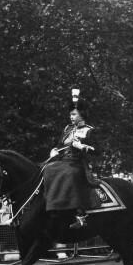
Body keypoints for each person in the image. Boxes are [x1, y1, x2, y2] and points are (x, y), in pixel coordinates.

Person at [43, 89, 99, 233]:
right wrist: (54, 151)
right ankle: (52, 206)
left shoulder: (89, 130)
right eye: (70, 114)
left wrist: (81, 146)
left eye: (74, 114)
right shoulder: (67, 129)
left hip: (77, 164)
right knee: (47, 168)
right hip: (62, 161)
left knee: (69, 173)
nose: (71, 117)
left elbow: (97, 151)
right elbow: (59, 145)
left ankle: (79, 214)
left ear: (82, 115)